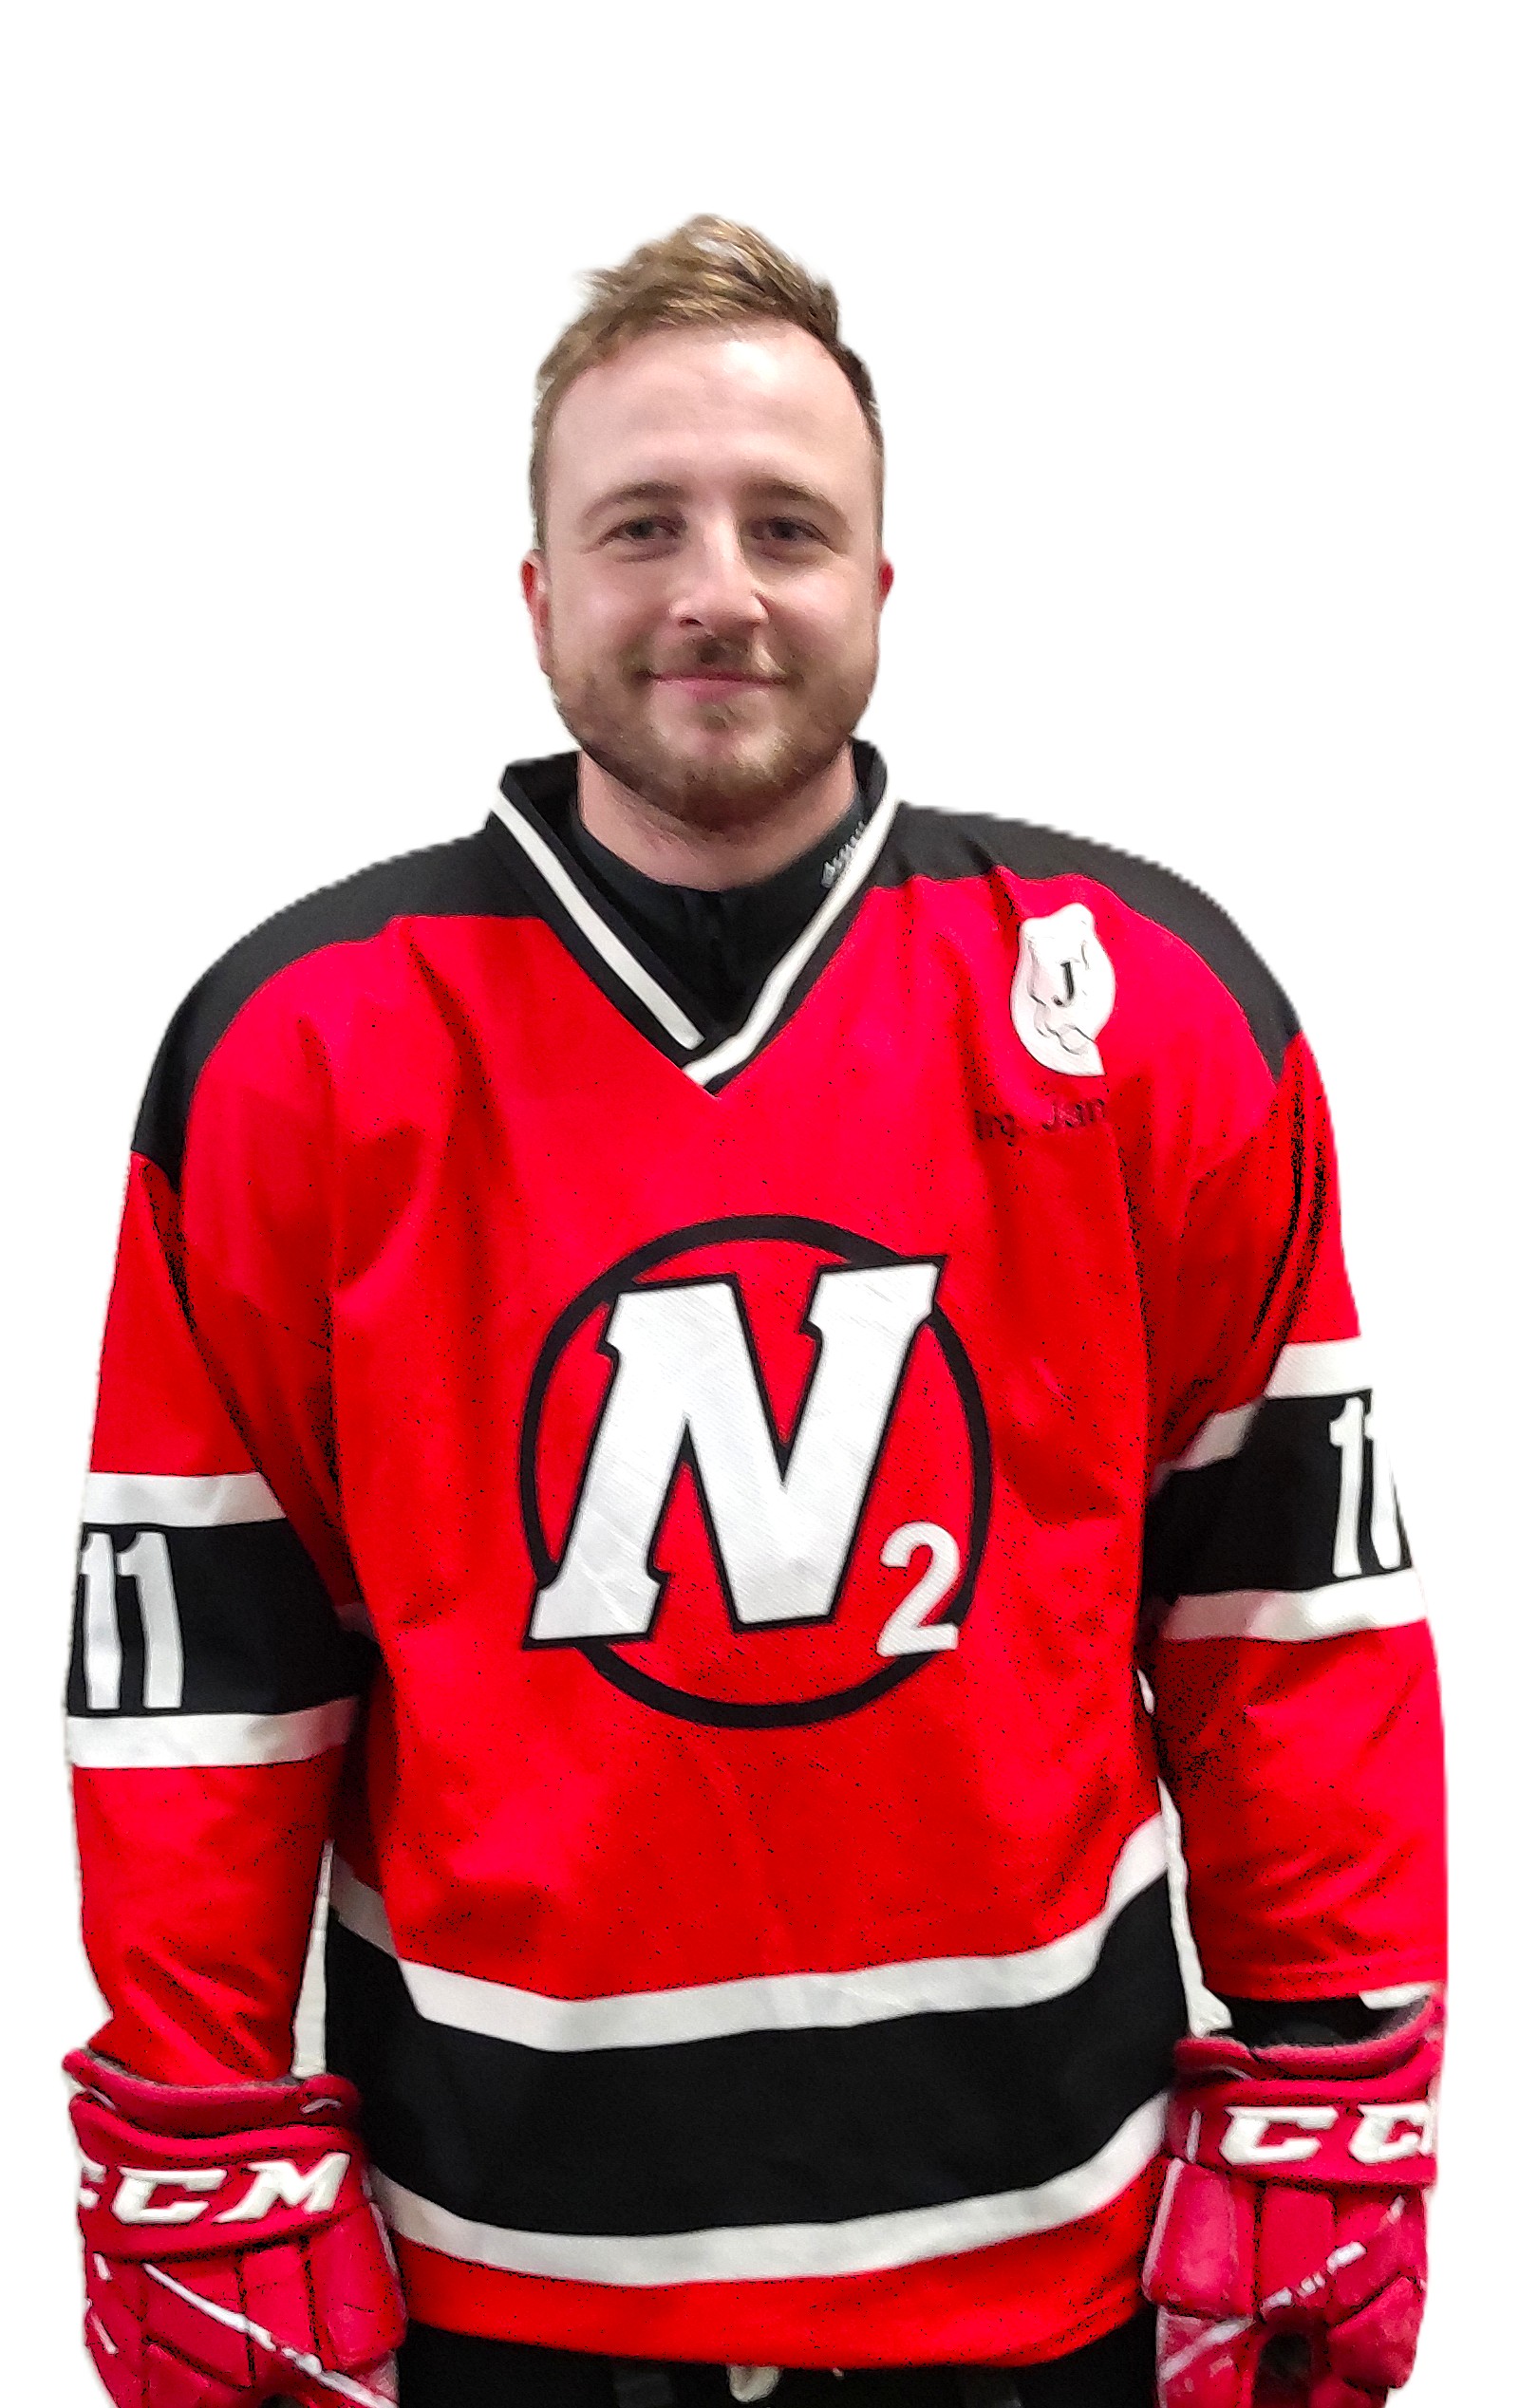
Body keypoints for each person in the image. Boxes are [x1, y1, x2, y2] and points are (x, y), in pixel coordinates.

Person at [64, 218, 1445, 2408]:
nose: (715, 587)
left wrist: (1329, 2067)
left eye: (783, 526)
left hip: (1047, 2266)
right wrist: (201, 2122)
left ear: (879, 583)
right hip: (492, 2278)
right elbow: (209, 1672)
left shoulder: (1148, 1010)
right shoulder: (297, 1048)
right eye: (643, 526)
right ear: (535, 591)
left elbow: (1281, 1618)